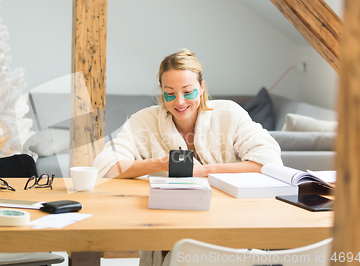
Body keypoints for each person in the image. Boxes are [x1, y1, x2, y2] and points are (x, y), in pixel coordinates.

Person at [92, 49, 283, 266]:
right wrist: (161, 163)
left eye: (188, 92)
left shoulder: (230, 114)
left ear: (201, 88)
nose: (179, 102)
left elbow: (269, 163)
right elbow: (104, 166)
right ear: (162, 93)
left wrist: (203, 171)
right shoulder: (144, 121)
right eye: (170, 93)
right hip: (169, 229)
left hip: (226, 224)